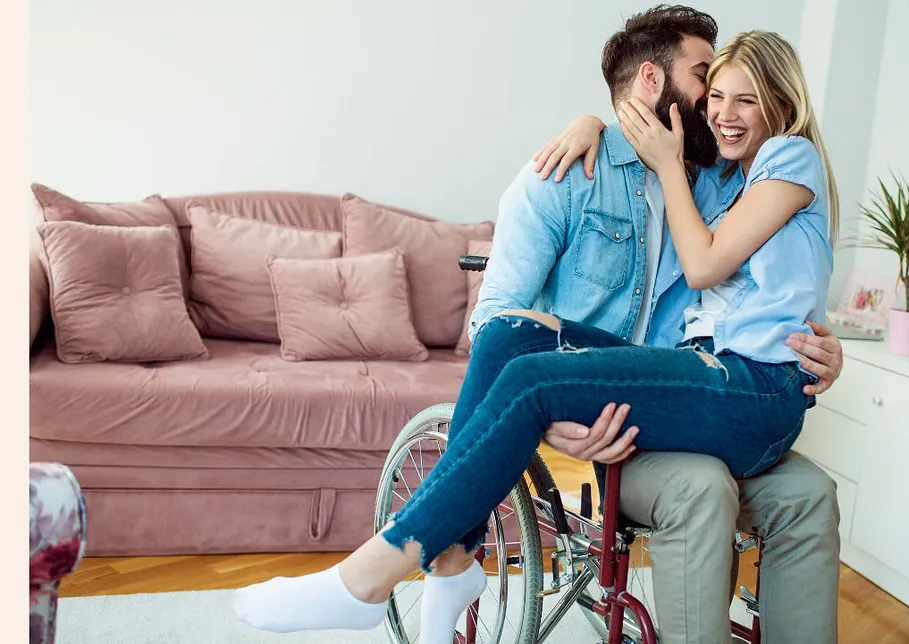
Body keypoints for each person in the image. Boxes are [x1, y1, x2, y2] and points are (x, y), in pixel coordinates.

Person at [234, 7, 844, 644]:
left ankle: (370, 576)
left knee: (537, 381)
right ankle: (450, 555)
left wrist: (827, 349)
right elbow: (494, 315)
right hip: (628, 392)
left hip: (706, 385)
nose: (716, 105)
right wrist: (597, 128)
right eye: (706, 83)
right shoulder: (566, 174)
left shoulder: (717, 176)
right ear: (651, 84)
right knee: (514, 342)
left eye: (735, 94)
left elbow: (762, 272)